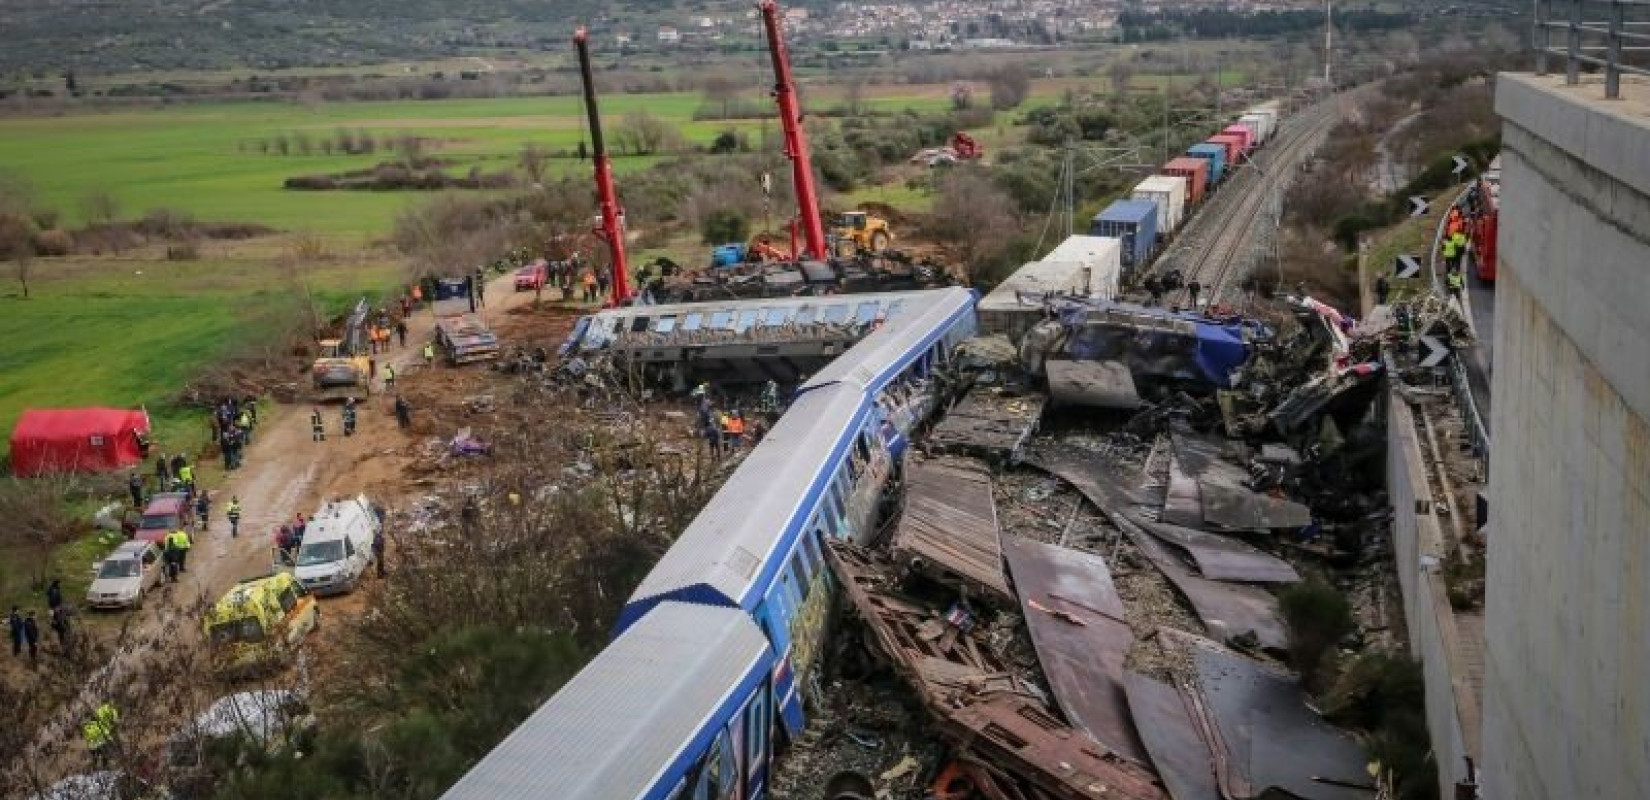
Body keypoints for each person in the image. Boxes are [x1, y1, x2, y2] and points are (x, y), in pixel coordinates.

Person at [83, 703, 118, 767]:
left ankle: (97, 769)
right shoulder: (98, 723)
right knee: (106, 758)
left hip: (93, 746)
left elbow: (87, 737)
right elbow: (114, 722)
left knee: (97, 760)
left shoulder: (87, 726)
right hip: (102, 742)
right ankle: (105, 768)